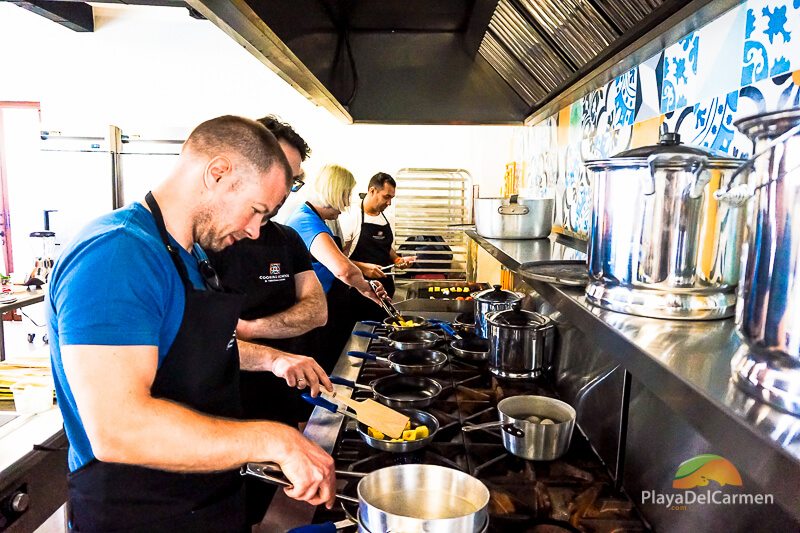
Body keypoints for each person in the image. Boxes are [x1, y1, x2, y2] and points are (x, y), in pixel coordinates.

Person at [47, 115, 336, 532]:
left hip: (204, 498)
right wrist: (275, 439)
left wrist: (272, 359)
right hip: (141, 512)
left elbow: (186, 347)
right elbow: (118, 428)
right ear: (218, 173)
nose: (256, 231)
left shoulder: (187, 255)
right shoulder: (118, 254)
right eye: (256, 210)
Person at [206, 116, 330, 525]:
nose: (280, 194)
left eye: (292, 179)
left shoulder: (283, 238)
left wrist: (249, 333)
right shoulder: (198, 247)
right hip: (221, 416)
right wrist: (269, 350)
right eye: (277, 171)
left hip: (275, 402)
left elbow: (317, 310)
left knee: (256, 509)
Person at [285, 164, 387, 371]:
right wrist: (366, 288)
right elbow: (343, 269)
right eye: (347, 194)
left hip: (330, 307)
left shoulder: (320, 220)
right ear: (335, 192)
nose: (348, 201)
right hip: (315, 313)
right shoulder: (305, 220)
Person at [341, 172, 414, 320]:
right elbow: (338, 257)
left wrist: (397, 260)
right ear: (372, 191)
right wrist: (363, 268)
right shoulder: (350, 216)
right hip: (359, 292)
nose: (389, 203)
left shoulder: (387, 216)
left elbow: (386, 247)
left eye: (391, 198)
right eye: (386, 197)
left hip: (385, 291)